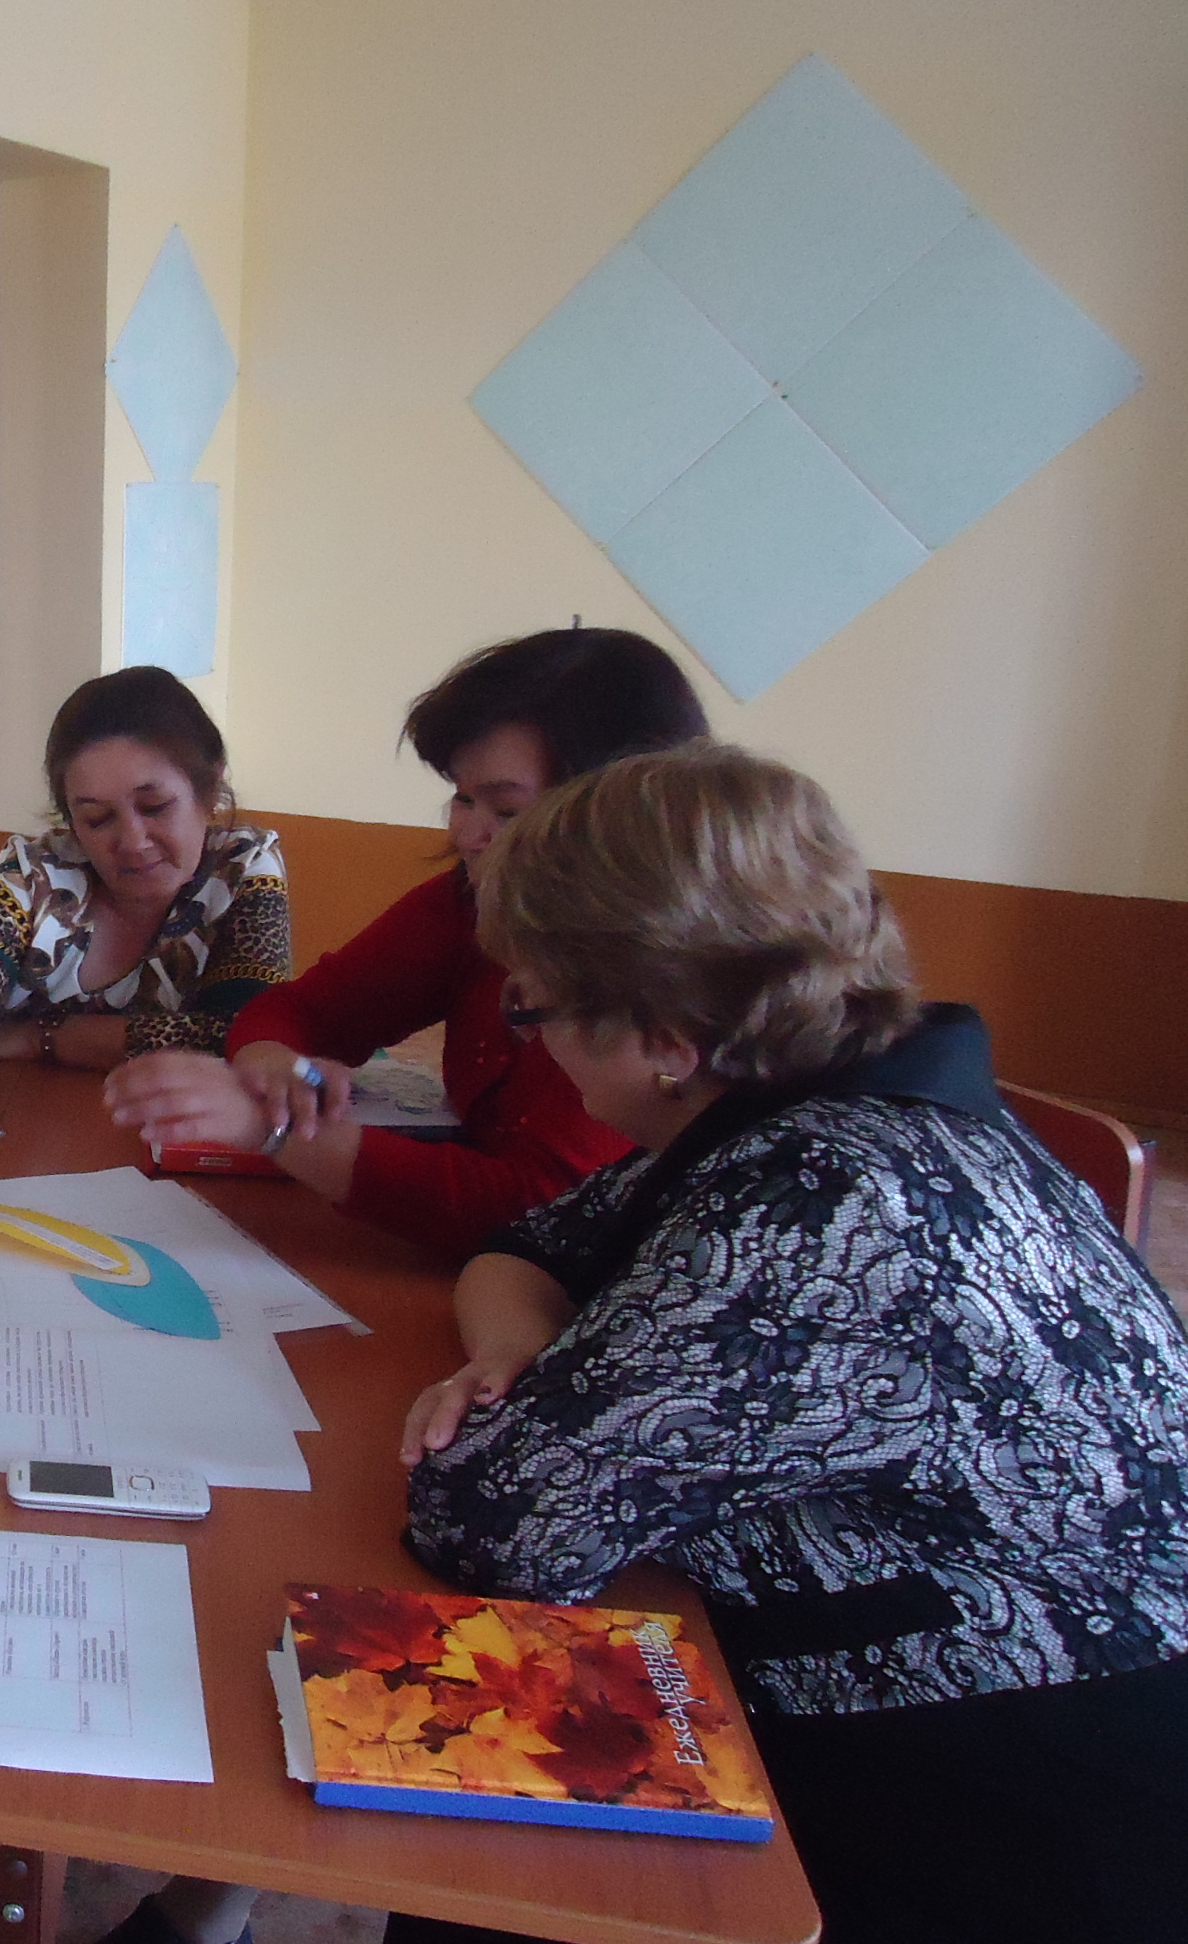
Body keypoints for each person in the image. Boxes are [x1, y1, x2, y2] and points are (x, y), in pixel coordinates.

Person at [389, 744, 1188, 1943]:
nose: (534, 1039)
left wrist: (544, 1398)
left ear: (665, 1036)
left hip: (1023, 1788)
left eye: (535, 1007)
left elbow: (490, 1524)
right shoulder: (829, 1099)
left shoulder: (827, 1204)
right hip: (966, 1677)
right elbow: (528, 1244)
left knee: (492, 1795)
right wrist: (527, 1360)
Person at [103, 626, 708, 1260]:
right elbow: (311, 1009)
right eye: (462, 798)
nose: (468, 833)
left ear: (618, 818)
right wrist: (275, 1065)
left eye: (506, 811)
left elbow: (542, 1210)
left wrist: (274, 1129)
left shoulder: (648, 982)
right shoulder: (467, 902)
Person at [0, 667, 291, 1221]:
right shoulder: (30, 878)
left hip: (177, 1196)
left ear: (210, 789)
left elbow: (246, 1040)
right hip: (14, 1172)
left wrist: (46, 1037)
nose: (133, 841)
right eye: (97, 819)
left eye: (155, 807)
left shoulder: (245, 870)